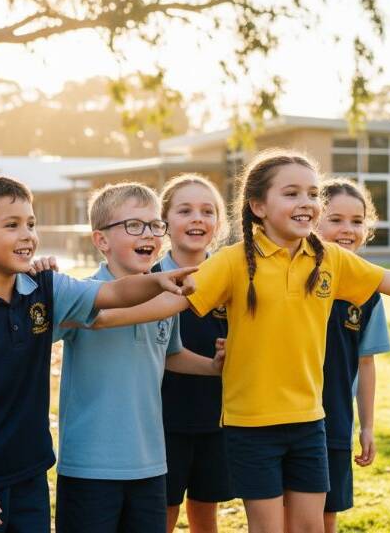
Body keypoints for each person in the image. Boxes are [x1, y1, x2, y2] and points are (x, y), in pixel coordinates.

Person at [90, 149, 390, 533]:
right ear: (258, 206)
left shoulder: (330, 259)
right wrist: (101, 317)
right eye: (291, 193)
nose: (307, 202)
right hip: (251, 427)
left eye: (312, 193)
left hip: (309, 422)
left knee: (309, 527)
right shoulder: (232, 262)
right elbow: (169, 303)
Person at [0, 176, 200, 532]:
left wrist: (158, 281)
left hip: (30, 474)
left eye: (31, 224)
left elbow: (114, 294)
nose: (27, 235)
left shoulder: (47, 288)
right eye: (12, 225)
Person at [54, 182, 224, 533]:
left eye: (153, 226)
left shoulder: (165, 297)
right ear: (101, 241)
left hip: (150, 464)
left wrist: (212, 367)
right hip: (90, 466)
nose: (148, 234)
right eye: (134, 225)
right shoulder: (81, 294)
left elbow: (171, 355)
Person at [154, 174, 233, 533]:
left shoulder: (231, 277)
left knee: (206, 513)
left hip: (216, 416)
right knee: (163, 514)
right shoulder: (149, 277)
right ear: (165, 222)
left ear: (218, 224)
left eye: (207, 211)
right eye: (185, 210)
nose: (197, 219)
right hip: (160, 418)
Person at [315, 178, 390, 533]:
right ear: (313, 220)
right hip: (284, 420)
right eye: (336, 219)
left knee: (327, 515)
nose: (347, 230)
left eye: (357, 221)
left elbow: (366, 362)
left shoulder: (370, 294)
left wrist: (368, 426)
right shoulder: (291, 277)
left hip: (336, 423)